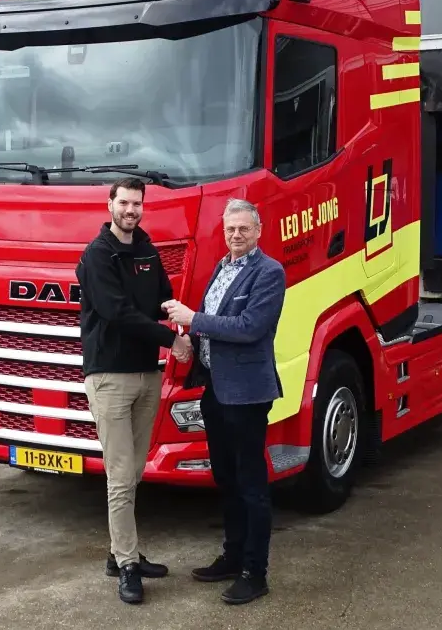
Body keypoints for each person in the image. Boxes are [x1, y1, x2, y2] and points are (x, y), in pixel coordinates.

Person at [162, 198, 285, 606]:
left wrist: (193, 319)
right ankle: (233, 557)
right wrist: (189, 339)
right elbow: (213, 322)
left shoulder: (269, 272)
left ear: (259, 231)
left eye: (244, 229)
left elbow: (249, 327)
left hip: (247, 394)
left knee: (251, 484)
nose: (236, 235)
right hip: (215, 388)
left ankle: (255, 572)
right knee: (226, 478)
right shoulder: (222, 266)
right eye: (230, 229)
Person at [76, 177, 193, 605]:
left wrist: (182, 318)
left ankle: (118, 552)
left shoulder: (146, 249)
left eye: (137, 204)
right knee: (121, 476)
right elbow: (117, 313)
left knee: (135, 471)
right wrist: (172, 341)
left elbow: (161, 296)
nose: (130, 210)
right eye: (124, 202)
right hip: (110, 377)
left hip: (147, 375)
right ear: (109, 204)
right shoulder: (97, 255)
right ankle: (127, 565)